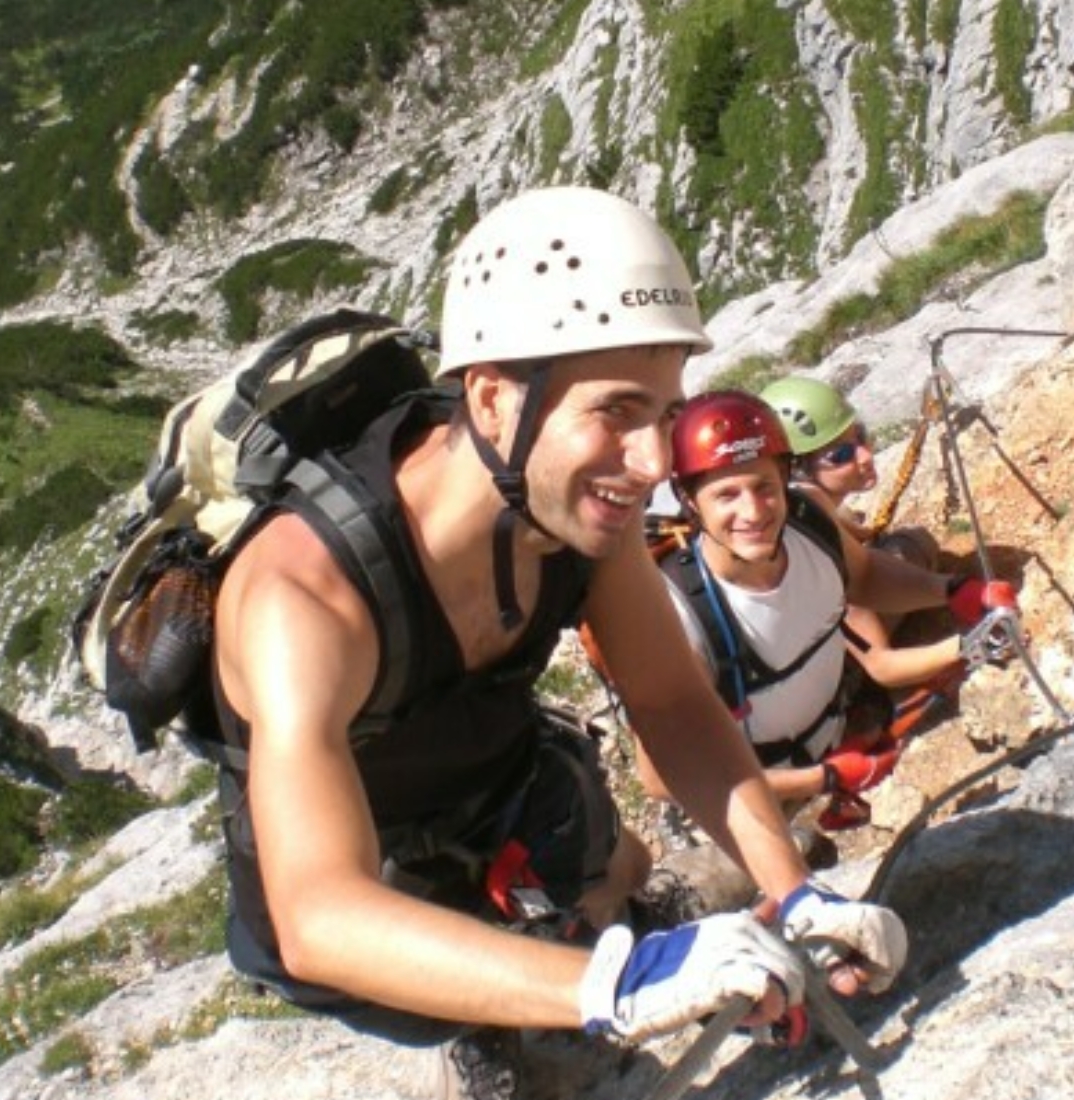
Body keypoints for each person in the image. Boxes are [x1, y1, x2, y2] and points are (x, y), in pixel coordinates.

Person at [207, 187, 907, 1098]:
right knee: (454, 992)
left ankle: (590, 931)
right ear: (494, 400)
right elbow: (321, 916)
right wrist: (614, 985)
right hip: (366, 863)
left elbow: (671, 704)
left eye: (663, 413)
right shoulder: (304, 594)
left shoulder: (575, 514)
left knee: (621, 866)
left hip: (499, 778)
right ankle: (504, 1026)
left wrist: (793, 891)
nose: (655, 463)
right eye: (617, 411)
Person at [635, 390, 1016, 833]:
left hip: (831, 724)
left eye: (764, 487)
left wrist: (952, 591)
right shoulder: (677, 619)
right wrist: (824, 778)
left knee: (915, 551)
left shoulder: (806, 519)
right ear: (689, 499)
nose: (752, 511)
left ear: (784, 477)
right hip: (756, 793)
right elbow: (662, 778)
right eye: (727, 495)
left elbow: (866, 577)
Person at [761, 377, 966, 697]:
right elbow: (883, 665)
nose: (865, 455)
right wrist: (968, 642)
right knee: (912, 545)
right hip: (830, 679)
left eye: (861, 437)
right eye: (841, 454)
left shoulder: (793, 511)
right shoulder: (808, 546)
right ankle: (858, 700)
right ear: (797, 471)